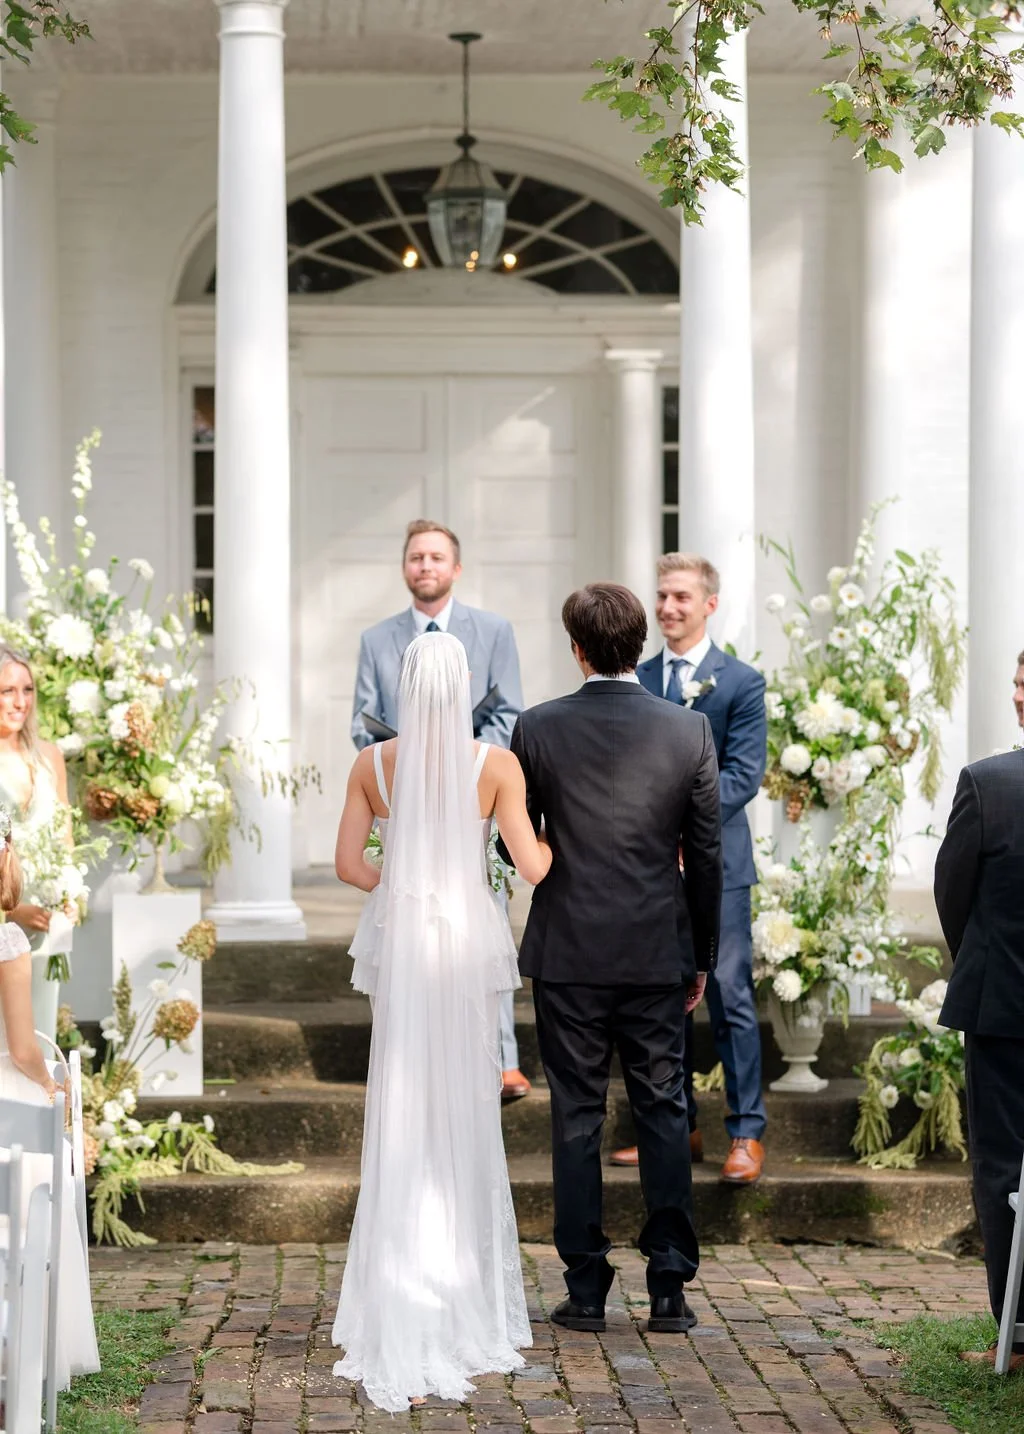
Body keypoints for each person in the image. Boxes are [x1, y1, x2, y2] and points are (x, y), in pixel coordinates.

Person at [331, 632, 552, 1411]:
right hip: (462, 944)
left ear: (403, 687)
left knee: (400, 1099)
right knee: (462, 1107)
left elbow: (349, 866)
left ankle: (398, 1283)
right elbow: (531, 865)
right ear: (462, 688)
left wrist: (405, 874)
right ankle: (460, 1289)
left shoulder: (375, 765)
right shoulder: (495, 766)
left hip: (404, 942)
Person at [503, 583, 722, 1335]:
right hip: (658, 950)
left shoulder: (536, 728)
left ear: (577, 648)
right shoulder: (688, 730)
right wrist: (701, 953)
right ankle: (669, 1288)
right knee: (664, 1111)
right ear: (638, 645)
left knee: (575, 1118)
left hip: (567, 951)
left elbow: (517, 841)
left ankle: (586, 1288)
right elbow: (708, 855)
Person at [351, 520, 531, 1100]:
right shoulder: (377, 639)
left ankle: (501, 1058)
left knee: (484, 927)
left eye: (435, 557)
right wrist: (408, 770)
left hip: (473, 795)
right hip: (403, 800)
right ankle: (414, 1063)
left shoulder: (494, 630)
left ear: (455, 568)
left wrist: (460, 762)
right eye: (415, 557)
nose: (424, 565)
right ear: (405, 567)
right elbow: (364, 719)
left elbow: (510, 710)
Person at [611, 554, 767, 1184]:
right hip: (648, 870)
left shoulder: (741, 682)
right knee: (659, 999)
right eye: (661, 596)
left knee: (728, 994)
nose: (668, 608)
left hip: (719, 866)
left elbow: (742, 775)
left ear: (709, 604)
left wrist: (683, 828)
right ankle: (673, 1130)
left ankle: (746, 1133)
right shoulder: (637, 676)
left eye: (680, 597)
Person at [934, 664, 1024, 1371]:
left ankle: (1015, 1337)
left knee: (1002, 1170)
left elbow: (951, 891)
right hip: (999, 1004)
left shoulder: (987, 783)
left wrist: (982, 958)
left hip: (1003, 1008)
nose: (1018, 692)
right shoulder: (988, 780)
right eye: (1019, 679)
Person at [0, 821, 100, 1390]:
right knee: (27, 1212)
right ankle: (25, 1355)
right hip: (6, 1094)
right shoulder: (8, 941)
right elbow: (20, 1046)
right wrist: (52, 1087)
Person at [0, 645, 76, 1041]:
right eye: (7, 691)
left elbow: (65, 836)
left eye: (27, 690)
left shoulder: (50, 756)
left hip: (48, 928)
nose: (20, 702)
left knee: (41, 1038)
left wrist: (70, 894)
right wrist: (12, 913)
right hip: (4, 922)